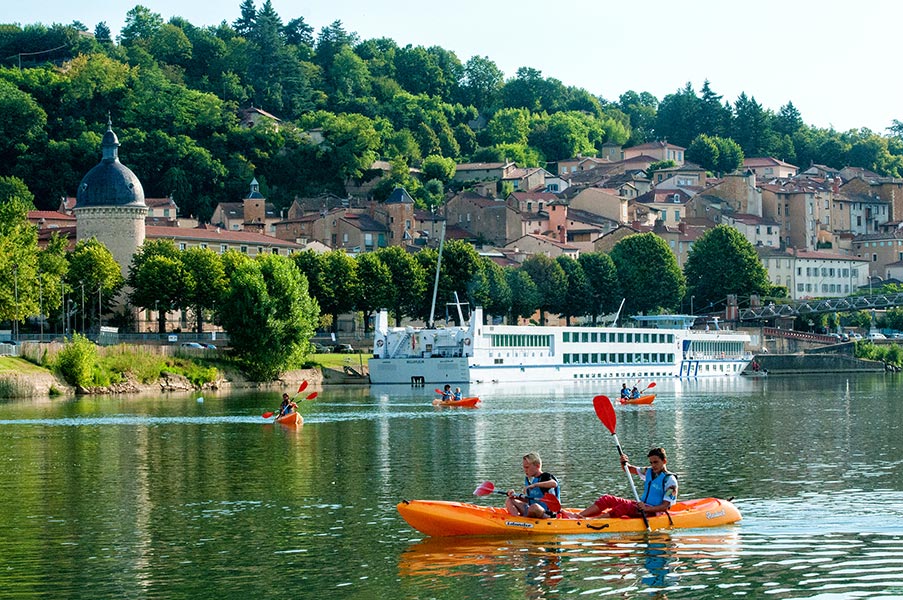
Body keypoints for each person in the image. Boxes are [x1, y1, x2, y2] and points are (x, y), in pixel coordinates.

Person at [566, 447, 677, 519]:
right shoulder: (648, 471)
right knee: (607, 498)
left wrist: (646, 509)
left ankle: (592, 521)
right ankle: (579, 516)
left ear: (664, 461)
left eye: (656, 462)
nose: (653, 465)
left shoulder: (670, 481)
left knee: (625, 507)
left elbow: (665, 506)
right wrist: (623, 462)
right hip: (642, 506)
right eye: (651, 462)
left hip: (654, 513)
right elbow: (628, 469)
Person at [506, 452, 560, 518]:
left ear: (537, 466)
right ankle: (517, 521)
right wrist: (515, 496)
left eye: (527, 467)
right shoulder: (532, 480)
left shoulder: (545, 477)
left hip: (546, 513)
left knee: (534, 507)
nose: (525, 470)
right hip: (532, 511)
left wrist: (535, 485)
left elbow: (554, 484)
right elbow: (529, 500)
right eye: (524, 467)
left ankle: (524, 521)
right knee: (509, 500)